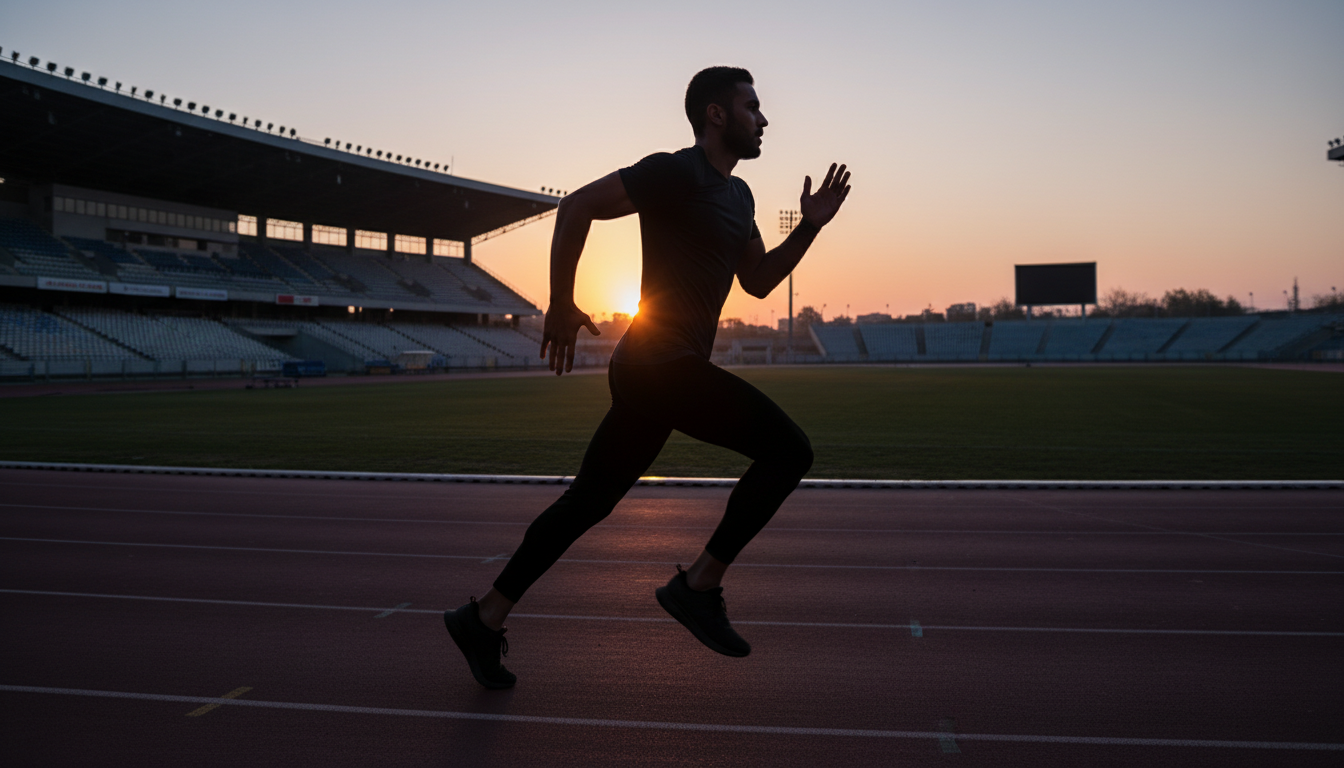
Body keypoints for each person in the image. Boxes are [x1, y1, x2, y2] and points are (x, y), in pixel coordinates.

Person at [444, 66, 851, 689]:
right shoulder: (674, 171)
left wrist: (812, 225)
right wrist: (559, 301)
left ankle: (484, 617)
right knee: (789, 450)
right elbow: (577, 204)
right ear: (716, 115)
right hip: (658, 363)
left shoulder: (740, 199)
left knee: (588, 502)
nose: (764, 119)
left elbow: (760, 280)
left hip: (661, 371)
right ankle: (698, 586)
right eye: (752, 107)